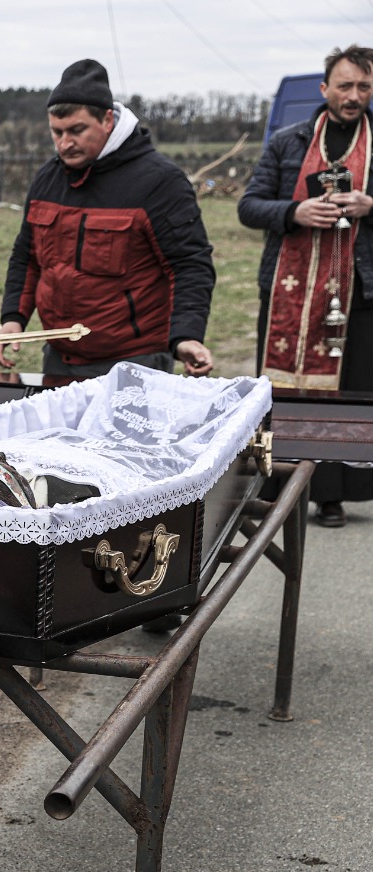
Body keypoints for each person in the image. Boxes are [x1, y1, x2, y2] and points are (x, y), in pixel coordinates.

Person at [0, 59, 216, 379]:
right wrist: (14, 317)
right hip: (60, 356)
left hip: (135, 361)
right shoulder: (48, 178)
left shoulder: (159, 181)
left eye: (77, 130)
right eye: (56, 132)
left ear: (108, 120)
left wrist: (186, 335)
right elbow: (26, 256)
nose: (65, 143)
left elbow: (190, 264)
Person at [239, 44, 373, 528]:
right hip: (287, 292)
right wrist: (293, 212)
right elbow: (249, 207)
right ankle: (274, 486)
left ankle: (332, 494)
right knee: (286, 396)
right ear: (325, 89)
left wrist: (369, 205)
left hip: (355, 295)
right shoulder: (288, 141)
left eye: (363, 86)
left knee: (345, 395)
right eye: (345, 85)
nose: (353, 95)